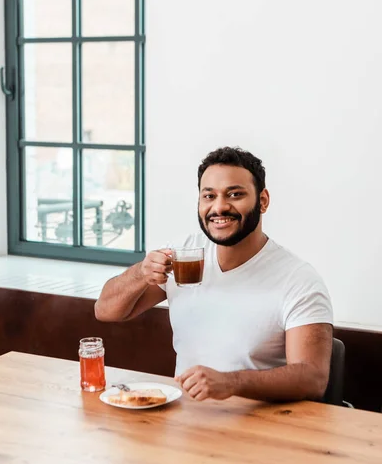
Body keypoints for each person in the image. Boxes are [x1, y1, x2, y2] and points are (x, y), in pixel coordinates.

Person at [95, 147, 333, 403]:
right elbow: (105, 311)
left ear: (263, 201)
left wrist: (232, 382)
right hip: (185, 420)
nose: (219, 207)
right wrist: (141, 273)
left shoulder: (298, 279)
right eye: (209, 196)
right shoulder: (183, 255)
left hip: (262, 426)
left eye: (235, 194)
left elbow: (313, 379)